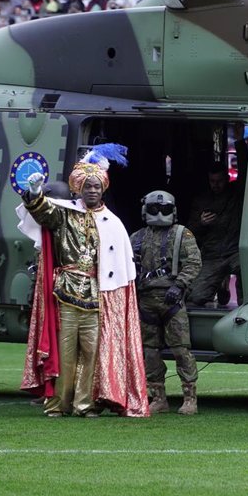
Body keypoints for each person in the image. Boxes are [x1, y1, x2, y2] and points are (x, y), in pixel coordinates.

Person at [17, 144, 148, 418]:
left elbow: (119, 267)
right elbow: (42, 212)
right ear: (78, 188)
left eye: (96, 186)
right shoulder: (64, 213)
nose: (91, 190)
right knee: (64, 352)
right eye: (87, 186)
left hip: (96, 297)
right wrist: (34, 193)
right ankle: (58, 404)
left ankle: (84, 405)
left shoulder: (112, 222)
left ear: (103, 189)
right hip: (65, 294)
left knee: (92, 354)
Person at [131, 189, 202, 415]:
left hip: (172, 300)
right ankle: (158, 396)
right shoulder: (137, 237)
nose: (160, 213)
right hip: (146, 300)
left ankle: (190, 397)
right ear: (145, 211)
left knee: (181, 350)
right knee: (150, 351)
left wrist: (179, 285)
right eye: (154, 209)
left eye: (165, 209)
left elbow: (193, 263)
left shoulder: (183, 235)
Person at [186, 163, 242, 307]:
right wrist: (201, 223)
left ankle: (242, 303)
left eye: (220, 181)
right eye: (212, 181)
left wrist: (239, 143)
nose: (216, 185)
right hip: (213, 254)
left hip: (235, 252)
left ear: (227, 179)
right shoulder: (201, 200)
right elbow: (189, 231)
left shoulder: (236, 194)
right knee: (196, 296)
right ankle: (221, 284)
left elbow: (245, 171)